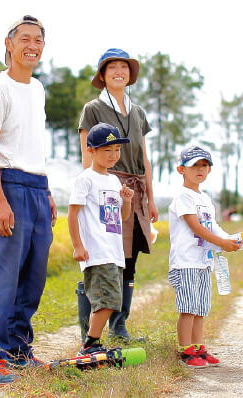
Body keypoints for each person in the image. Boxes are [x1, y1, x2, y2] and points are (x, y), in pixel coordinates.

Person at [0, 15, 57, 386]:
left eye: (39, 40)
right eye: (25, 38)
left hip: (37, 188)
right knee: (1, 278)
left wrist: (47, 190)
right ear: (9, 44)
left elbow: (33, 144)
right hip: (8, 186)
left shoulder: (37, 89)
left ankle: (19, 352)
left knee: (32, 280)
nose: (33, 46)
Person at [76, 48, 158, 343]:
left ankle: (119, 325)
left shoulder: (138, 113)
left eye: (124, 67)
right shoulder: (93, 109)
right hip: (107, 189)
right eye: (112, 68)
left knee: (129, 260)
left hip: (134, 191)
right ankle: (89, 329)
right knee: (101, 256)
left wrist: (150, 196)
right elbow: (88, 154)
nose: (119, 71)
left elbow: (144, 158)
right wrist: (93, 193)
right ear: (102, 75)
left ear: (130, 75)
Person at [168, 145, 241, 368]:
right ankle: (185, 351)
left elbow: (213, 226)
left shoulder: (206, 199)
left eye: (204, 165)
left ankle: (199, 347)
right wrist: (221, 243)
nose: (200, 170)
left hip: (203, 261)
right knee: (188, 308)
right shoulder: (183, 196)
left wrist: (230, 239)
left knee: (200, 308)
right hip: (186, 261)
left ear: (209, 170)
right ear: (181, 169)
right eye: (194, 166)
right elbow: (195, 226)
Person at [68, 122, 134, 354]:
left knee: (112, 300)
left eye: (117, 150)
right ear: (91, 151)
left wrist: (126, 200)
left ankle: (93, 341)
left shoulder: (114, 181)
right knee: (106, 301)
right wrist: (77, 245)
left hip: (113, 251)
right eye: (107, 150)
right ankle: (89, 343)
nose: (113, 155)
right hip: (96, 251)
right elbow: (73, 213)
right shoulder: (85, 179)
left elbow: (122, 217)